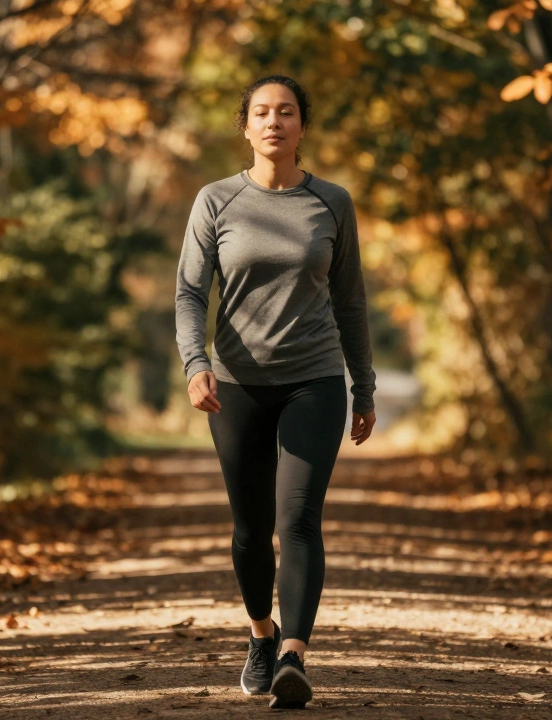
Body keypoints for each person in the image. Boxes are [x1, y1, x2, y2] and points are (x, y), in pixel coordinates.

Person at [174, 74, 377, 710]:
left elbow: (350, 302)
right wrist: (194, 363)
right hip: (236, 385)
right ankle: (260, 634)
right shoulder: (215, 200)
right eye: (261, 112)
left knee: (298, 520)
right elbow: (188, 293)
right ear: (245, 126)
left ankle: (294, 653)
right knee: (249, 526)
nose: (273, 122)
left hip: (314, 381)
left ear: (301, 127)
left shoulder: (332, 202)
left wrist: (362, 385)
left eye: (286, 112)